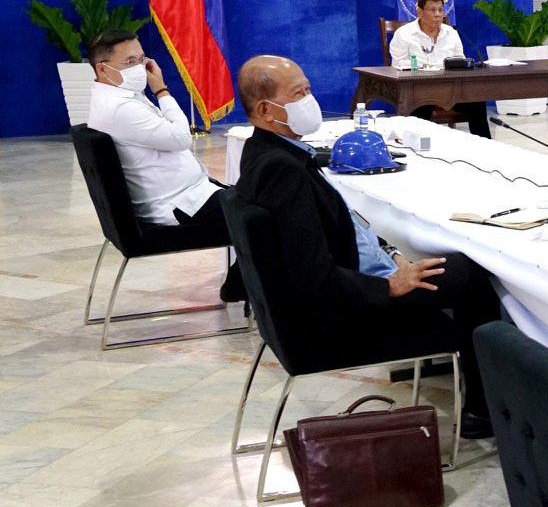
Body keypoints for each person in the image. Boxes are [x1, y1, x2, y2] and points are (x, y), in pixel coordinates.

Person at [234, 55, 498, 438]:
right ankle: (481, 411)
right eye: (298, 94)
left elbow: (342, 227)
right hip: (337, 319)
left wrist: (390, 254)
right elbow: (312, 275)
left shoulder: (268, 152)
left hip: (351, 282)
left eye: (308, 90)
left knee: (443, 263)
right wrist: (388, 286)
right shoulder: (281, 170)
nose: (309, 100)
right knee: (472, 273)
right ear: (265, 110)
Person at [85, 30, 240, 301]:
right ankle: (247, 287)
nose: (140, 68)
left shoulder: (120, 94)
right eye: (130, 62)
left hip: (192, 194)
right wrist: (162, 90)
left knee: (264, 200)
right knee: (267, 214)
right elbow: (181, 138)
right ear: (103, 68)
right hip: (181, 207)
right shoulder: (120, 107)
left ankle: (242, 283)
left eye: (142, 59)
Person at [388, 0, 491, 138]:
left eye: (441, 10)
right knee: (421, 106)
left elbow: (459, 61)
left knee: (476, 99)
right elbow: (398, 64)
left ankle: (484, 144)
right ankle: (419, 146)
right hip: (419, 90)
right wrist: (428, 69)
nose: (437, 14)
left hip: (450, 89)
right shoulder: (404, 34)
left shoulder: (451, 33)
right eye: (432, 10)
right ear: (420, 12)